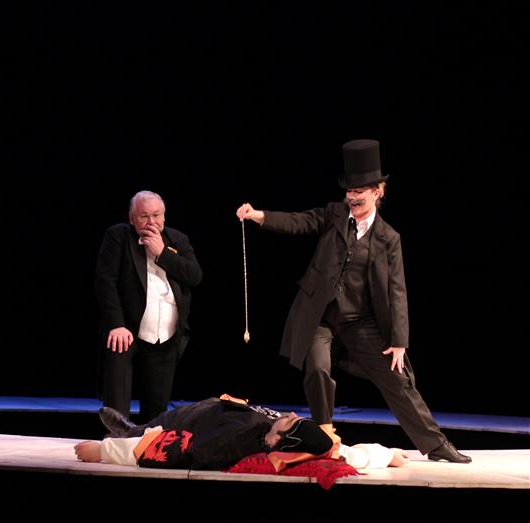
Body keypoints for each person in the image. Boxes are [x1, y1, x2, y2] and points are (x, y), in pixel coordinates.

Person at [236, 139, 470, 463]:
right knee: (317, 368)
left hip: (360, 322)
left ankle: (435, 444)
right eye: (349, 190)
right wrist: (259, 216)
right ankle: (324, 435)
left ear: (378, 191)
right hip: (321, 317)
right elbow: (300, 221)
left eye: (359, 190)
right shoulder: (334, 215)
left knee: (396, 376)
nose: (352, 196)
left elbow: (397, 291)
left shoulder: (388, 239)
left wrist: (399, 342)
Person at [95, 190, 202, 423]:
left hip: (166, 336)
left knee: (156, 411)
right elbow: (105, 281)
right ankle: (115, 439)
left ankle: (147, 443)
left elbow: (195, 276)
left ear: (164, 216)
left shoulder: (177, 239)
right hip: (126, 332)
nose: (151, 222)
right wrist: (116, 324)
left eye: (156, 215)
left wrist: (161, 253)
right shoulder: (118, 236)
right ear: (132, 218)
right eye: (144, 216)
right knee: (117, 404)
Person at [75, 396, 410, 470]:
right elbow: (351, 454)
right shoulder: (308, 444)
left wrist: (105, 452)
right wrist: (389, 455)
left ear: (279, 441)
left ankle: (130, 431)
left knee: (155, 427)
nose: (292, 415)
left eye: (291, 422)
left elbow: (178, 450)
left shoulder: (233, 444)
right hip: (224, 408)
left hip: (195, 422)